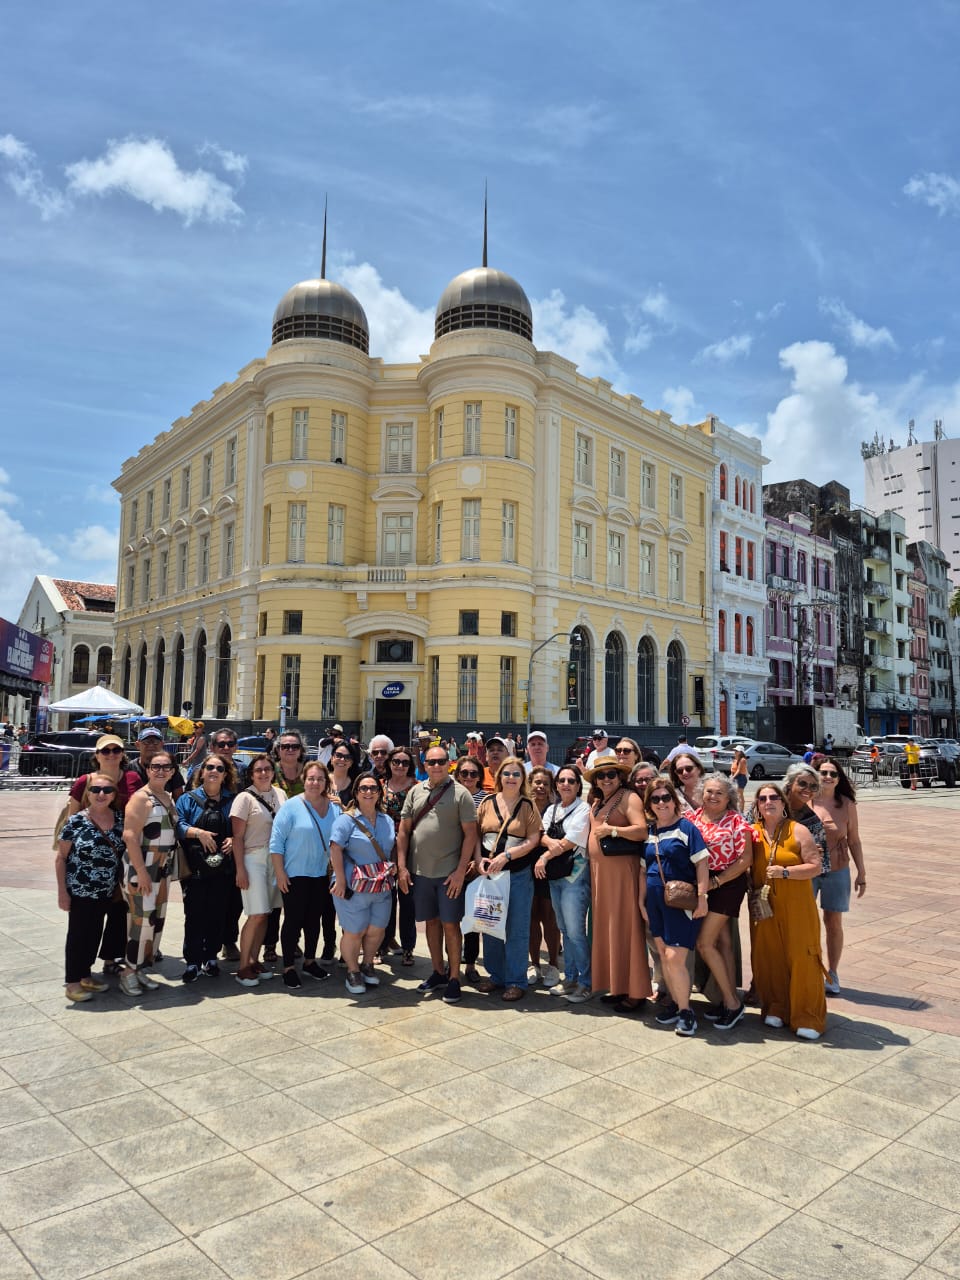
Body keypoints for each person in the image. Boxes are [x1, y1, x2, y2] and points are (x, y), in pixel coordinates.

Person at [397, 747, 478, 1003]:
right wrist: (401, 866)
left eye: (441, 761)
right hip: (420, 873)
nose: (436, 766)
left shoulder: (460, 794)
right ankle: (438, 971)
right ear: (425, 763)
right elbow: (403, 831)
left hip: (448, 875)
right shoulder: (415, 791)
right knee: (431, 923)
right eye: (431, 762)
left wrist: (460, 871)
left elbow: (470, 835)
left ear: (449, 763)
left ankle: (454, 978)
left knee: (451, 925)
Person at [750, 782, 827, 1040]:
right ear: (757, 805)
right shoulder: (752, 832)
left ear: (783, 803)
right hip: (764, 905)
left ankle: (807, 1015)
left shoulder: (798, 830)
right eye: (763, 798)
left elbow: (816, 866)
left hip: (797, 904)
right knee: (769, 955)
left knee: (802, 955)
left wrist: (786, 872)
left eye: (774, 797)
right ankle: (777, 1007)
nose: (768, 802)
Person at [65, 733, 142, 976]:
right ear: (96, 755)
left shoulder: (132, 778)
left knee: (120, 910)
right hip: (90, 859)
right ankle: (80, 970)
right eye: (105, 751)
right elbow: (72, 817)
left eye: (116, 750)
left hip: (124, 853)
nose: (111, 754)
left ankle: (111, 958)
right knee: (88, 916)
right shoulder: (85, 781)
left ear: (123, 754)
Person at [639, 778, 710, 1036]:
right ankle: (677, 1005)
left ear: (674, 800)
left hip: (681, 903)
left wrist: (702, 897)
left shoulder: (686, 828)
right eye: (655, 799)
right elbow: (642, 869)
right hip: (655, 903)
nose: (661, 803)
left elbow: (702, 864)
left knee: (674, 957)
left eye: (665, 797)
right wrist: (640, 901)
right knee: (661, 953)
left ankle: (686, 1011)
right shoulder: (650, 832)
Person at [475, 758, 544, 1002]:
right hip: (491, 876)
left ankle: (516, 980)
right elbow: (476, 836)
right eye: (507, 774)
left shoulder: (528, 805)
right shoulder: (486, 802)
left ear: (522, 779)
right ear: (499, 777)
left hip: (517, 875)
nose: (511, 778)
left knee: (516, 928)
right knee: (491, 926)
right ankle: (496, 976)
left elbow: (533, 839)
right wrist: (478, 860)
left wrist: (507, 856)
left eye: (516, 774)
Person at [587, 753, 651, 1012]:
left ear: (620, 776)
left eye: (611, 774)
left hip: (622, 874)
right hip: (601, 873)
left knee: (627, 928)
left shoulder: (629, 797)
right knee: (609, 929)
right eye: (600, 775)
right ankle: (618, 985)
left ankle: (636, 991)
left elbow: (641, 830)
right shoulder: (599, 800)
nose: (606, 779)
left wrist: (613, 830)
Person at [269, 761, 340, 990]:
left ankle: (310, 960)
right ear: (304, 780)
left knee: (314, 921)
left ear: (326, 783)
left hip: (322, 874)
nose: (315, 783)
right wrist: (280, 873)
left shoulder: (335, 808)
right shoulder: (290, 806)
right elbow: (276, 843)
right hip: (295, 874)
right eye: (311, 778)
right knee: (293, 921)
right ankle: (288, 966)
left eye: (320, 779)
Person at [56, 772, 126, 1001]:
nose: (101, 794)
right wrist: (62, 892)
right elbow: (61, 858)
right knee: (78, 935)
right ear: (88, 793)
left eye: (107, 790)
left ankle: (85, 975)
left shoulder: (119, 819)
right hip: (81, 890)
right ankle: (73, 982)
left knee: (94, 933)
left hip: (108, 890)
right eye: (95, 790)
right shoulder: (76, 820)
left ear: (114, 795)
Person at [691, 774, 753, 1029]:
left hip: (727, 884)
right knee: (723, 942)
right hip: (703, 883)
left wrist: (717, 883)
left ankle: (732, 1002)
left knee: (704, 943)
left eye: (719, 793)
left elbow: (745, 859)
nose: (713, 796)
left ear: (729, 797)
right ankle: (723, 997)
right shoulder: (692, 818)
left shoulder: (736, 822)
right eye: (709, 792)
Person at [329, 773, 396, 995]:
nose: (368, 792)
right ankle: (353, 970)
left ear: (380, 792)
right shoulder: (346, 820)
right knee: (354, 930)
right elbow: (335, 849)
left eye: (373, 788)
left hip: (381, 885)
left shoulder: (387, 820)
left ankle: (367, 964)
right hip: (352, 886)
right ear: (356, 793)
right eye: (363, 788)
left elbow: (390, 848)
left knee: (377, 929)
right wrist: (339, 879)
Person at [120, 751, 180, 996]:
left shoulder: (167, 797)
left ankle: (141, 968)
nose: (160, 770)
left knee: (155, 921)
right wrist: (142, 872)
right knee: (140, 920)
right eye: (155, 766)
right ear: (147, 769)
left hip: (162, 869)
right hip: (142, 866)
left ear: (173, 772)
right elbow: (130, 836)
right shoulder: (141, 798)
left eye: (166, 767)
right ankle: (128, 972)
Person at [175, 752, 237, 982]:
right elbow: (178, 824)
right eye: (209, 767)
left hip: (223, 869)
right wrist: (198, 832)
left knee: (218, 914)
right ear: (201, 772)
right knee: (194, 915)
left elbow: (240, 827)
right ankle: (192, 961)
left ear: (225, 775)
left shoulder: (232, 799)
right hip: (195, 869)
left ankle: (211, 957)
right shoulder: (187, 799)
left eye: (220, 769)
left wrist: (233, 839)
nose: (214, 772)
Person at [535, 764, 592, 1002]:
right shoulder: (553, 808)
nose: (565, 784)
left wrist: (545, 854)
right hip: (556, 877)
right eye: (562, 780)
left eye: (571, 780)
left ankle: (586, 983)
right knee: (565, 930)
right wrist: (550, 845)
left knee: (577, 931)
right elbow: (542, 833)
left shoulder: (583, 809)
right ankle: (570, 977)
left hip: (575, 878)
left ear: (578, 785)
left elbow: (571, 841)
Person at [812, 757, 867, 996]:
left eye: (833, 774)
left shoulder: (846, 803)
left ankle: (832, 972)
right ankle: (808, 968)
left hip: (837, 868)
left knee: (833, 922)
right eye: (823, 772)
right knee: (805, 920)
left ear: (839, 778)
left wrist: (861, 872)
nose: (827, 777)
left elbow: (854, 839)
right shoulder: (803, 800)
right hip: (807, 869)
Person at [230, 754, 286, 986]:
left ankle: (254, 959)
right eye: (258, 770)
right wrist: (240, 869)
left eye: (267, 769)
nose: (263, 773)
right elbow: (237, 837)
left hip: (274, 859)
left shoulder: (280, 794)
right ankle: (244, 965)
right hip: (253, 858)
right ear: (251, 774)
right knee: (255, 914)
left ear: (273, 772)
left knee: (266, 913)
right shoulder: (244, 798)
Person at [380, 745, 419, 964]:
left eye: (405, 762)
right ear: (389, 764)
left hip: (409, 848)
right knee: (385, 898)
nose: (400, 766)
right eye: (396, 762)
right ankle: (384, 943)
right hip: (384, 849)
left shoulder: (417, 787)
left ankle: (408, 947)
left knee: (407, 900)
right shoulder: (380, 786)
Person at [453, 754, 487, 984]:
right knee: (449, 917)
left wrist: (477, 860)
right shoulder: (449, 795)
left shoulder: (486, 799)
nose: (468, 777)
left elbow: (480, 832)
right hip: (450, 863)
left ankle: (471, 962)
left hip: (474, 866)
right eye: (464, 773)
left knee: (473, 919)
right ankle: (452, 961)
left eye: (473, 773)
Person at [527, 767, 562, 987]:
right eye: (537, 782)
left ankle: (553, 964)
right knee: (530, 918)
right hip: (526, 869)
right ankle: (534, 964)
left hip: (550, 869)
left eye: (545, 784)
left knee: (550, 919)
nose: (540, 787)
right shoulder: (524, 808)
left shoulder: (557, 810)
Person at [130, 727, 187, 797]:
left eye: (156, 742)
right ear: (137, 745)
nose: (151, 745)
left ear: (162, 744)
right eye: (146, 742)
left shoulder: (170, 768)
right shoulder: (129, 768)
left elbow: (179, 799)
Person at [329, 739, 362, 805]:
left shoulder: (357, 786)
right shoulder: (322, 780)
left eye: (347, 757)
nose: (342, 759)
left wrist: (343, 808)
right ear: (332, 758)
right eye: (338, 755)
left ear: (351, 763)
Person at [731, 747, 749, 812]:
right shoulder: (736, 759)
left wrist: (732, 778)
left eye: (736, 751)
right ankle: (737, 809)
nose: (735, 752)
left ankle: (741, 811)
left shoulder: (742, 760)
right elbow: (733, 769)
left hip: (741, 777)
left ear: (741, 752)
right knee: (736, 794)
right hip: (736, 777)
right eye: (735, 750)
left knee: (740, 794)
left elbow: (739, 770)